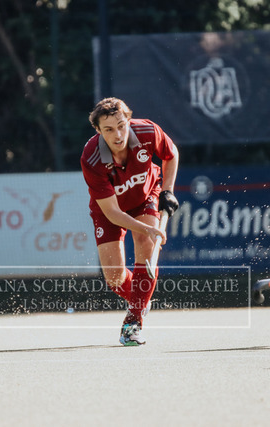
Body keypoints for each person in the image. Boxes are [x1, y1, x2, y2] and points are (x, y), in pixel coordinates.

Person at [80, 97, 179, 346]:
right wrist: (149, 228)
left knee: (145, 245)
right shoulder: (91, 158)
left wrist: (167, 191)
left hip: (145, 196)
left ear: (129, 120)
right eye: (109, 129)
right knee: (114, 278)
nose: (118, 135)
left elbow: (171, 154)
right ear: (98, 130)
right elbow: (113, 213)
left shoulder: (147, 131)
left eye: (121, 126)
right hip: (109, 209)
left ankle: (132, 324)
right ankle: (141, 299)